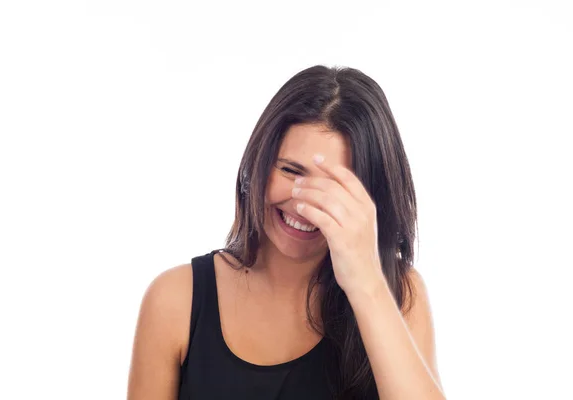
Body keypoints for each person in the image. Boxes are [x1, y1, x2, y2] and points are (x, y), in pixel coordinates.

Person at [127, 65, 445, 399]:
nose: (304, 203)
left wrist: (366, 284)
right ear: (258, 162)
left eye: (335, 187)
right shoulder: (175, 299)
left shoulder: (398, 295)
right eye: (291, 171)